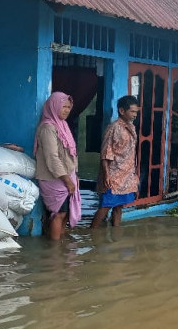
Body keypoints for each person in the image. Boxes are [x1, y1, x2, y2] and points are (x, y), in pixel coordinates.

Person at [34, 91, 81, 240]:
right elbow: (52, 158)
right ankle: (54, 253)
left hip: (67, 176)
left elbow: (72, 152)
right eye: (63, 106)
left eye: (69, 107)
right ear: (54, 106)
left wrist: (75, 176)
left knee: (65, 213)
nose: (67, 110)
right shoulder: (48, 128)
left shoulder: (63, 125)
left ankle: (61, 243)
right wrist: (67, 179)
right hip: (54, 178)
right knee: (59, 213)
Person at [91, 95, 140, 228]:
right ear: (122, 111)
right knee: (105, 207)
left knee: (119, 208)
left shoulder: (132, 127)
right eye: (132, 111)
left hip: (126, 175)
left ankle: (115, 235)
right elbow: (106, 153)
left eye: (136, 112)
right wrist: (107, 175)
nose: (135, 115)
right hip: (113, 176)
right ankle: (91, 235)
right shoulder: (113, 128)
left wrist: (134, 175)